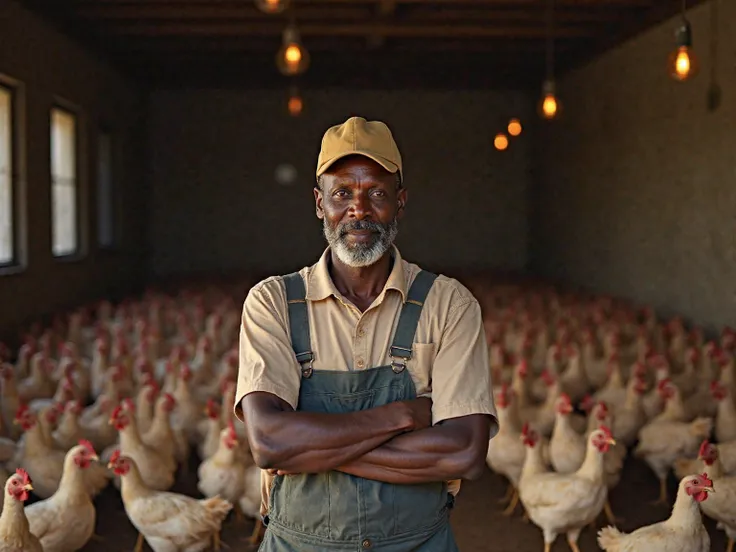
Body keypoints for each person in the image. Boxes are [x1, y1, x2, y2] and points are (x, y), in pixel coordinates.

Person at [234, 116, 498, 551]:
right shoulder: (273, 303)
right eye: (342, 193)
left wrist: (311, 449)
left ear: (400, 201)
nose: (358, 209)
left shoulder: (449, 304)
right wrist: (402, 417)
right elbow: (268, 443)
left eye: (376, 192)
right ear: (320, 203)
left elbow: (463, 453)